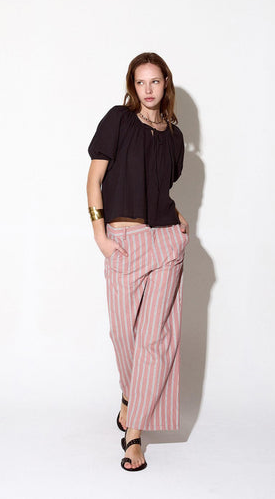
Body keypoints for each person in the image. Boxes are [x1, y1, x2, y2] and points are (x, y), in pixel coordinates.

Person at [86, 52, 189, 472]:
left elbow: (160, 187)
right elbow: (94, 180)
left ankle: (134, 435)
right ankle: (131, 397)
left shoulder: (174, 137)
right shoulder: (117, 120)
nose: (148, 89)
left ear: (166, 84)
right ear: (133, 85)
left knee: (153, 339)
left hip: (165, 242)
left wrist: (177, 217)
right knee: (123, 335)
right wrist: (101, 236)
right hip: (124, 240)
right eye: (141, 82)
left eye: (155, 81)